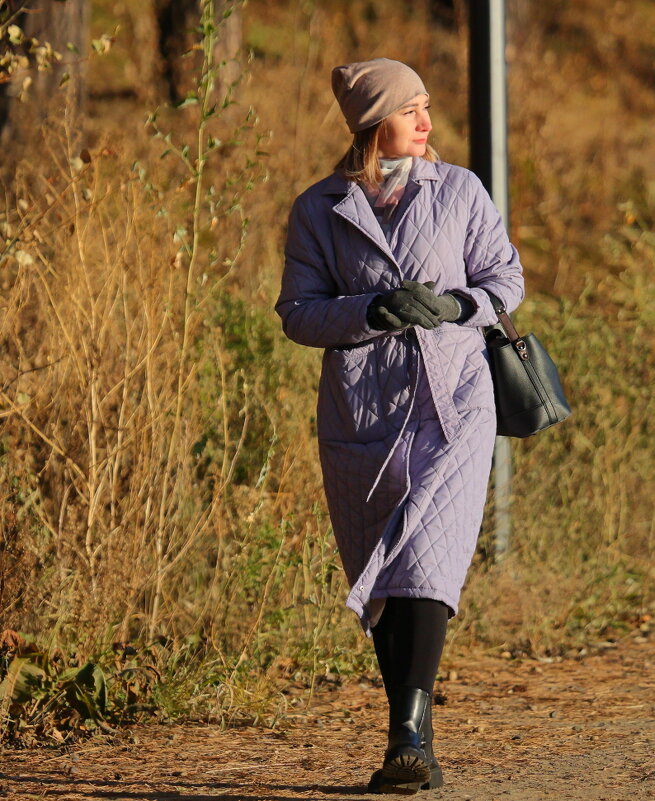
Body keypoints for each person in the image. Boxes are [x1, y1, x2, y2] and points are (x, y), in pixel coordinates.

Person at [274, 58, 524, 794]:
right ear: (370, 122)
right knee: (382, 573)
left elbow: (504, 280)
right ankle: (406, 728)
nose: (426, 122)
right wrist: (369, 312)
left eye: (426, 107)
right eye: (410, 109)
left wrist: (454, 307)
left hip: (453, 403)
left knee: (430, 561)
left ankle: (409, 734)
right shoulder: (318, 209)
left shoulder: (460, 191)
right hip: (362, 413)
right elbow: (297, 313)